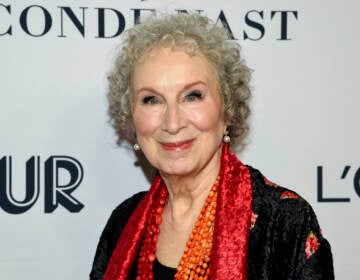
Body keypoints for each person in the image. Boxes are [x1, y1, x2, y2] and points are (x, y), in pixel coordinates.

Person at [90, 13, 334, 280]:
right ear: (132, 118)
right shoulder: (124, 221)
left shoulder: (284, 222)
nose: (172, 123)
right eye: (151, 100)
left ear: (227, 109)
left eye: (192, 96)